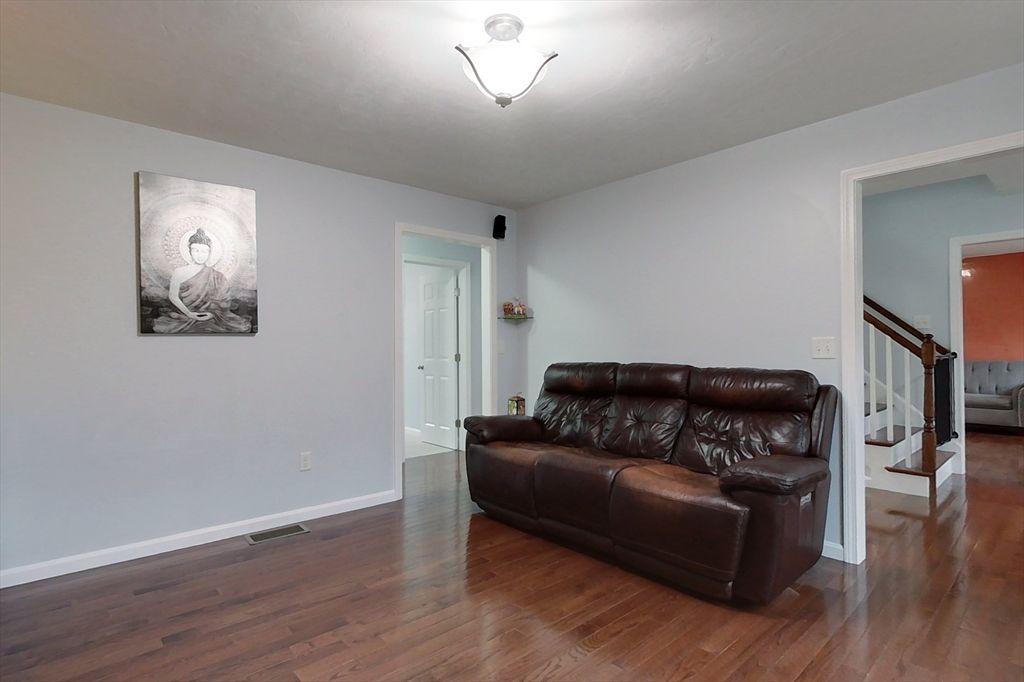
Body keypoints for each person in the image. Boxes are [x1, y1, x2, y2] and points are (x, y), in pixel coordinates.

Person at [152, 228, 251, 333]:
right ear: (189, 251)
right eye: (196, 250)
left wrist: (212, 314)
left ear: (210, 252)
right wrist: (189, 314)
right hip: (184, 314)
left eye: (204, 251)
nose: (200, 255)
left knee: (239, 327)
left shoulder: (217, 276)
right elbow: (173, 296)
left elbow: (223, 301)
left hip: (212, 316)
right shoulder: (179, 272)